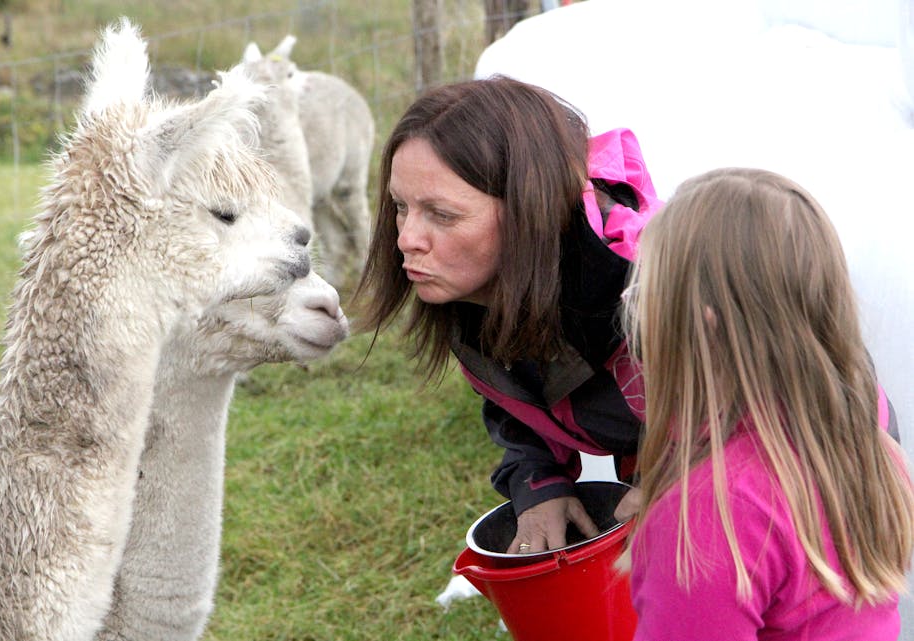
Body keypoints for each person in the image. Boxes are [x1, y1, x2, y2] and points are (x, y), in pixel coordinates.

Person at [352, 75, 661, 554]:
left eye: (442, 214)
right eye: (399, 206)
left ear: (529, 210)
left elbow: (774, 403)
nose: (406, 239)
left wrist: (683, 479)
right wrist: (538, 480)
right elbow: (516, 398)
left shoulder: (653, 290)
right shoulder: (477, 290)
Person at [621, 167, 914, 639]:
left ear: (703, 325)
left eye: (644, 295)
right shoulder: (861, 418)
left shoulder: (707, 519)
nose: (632, 309)